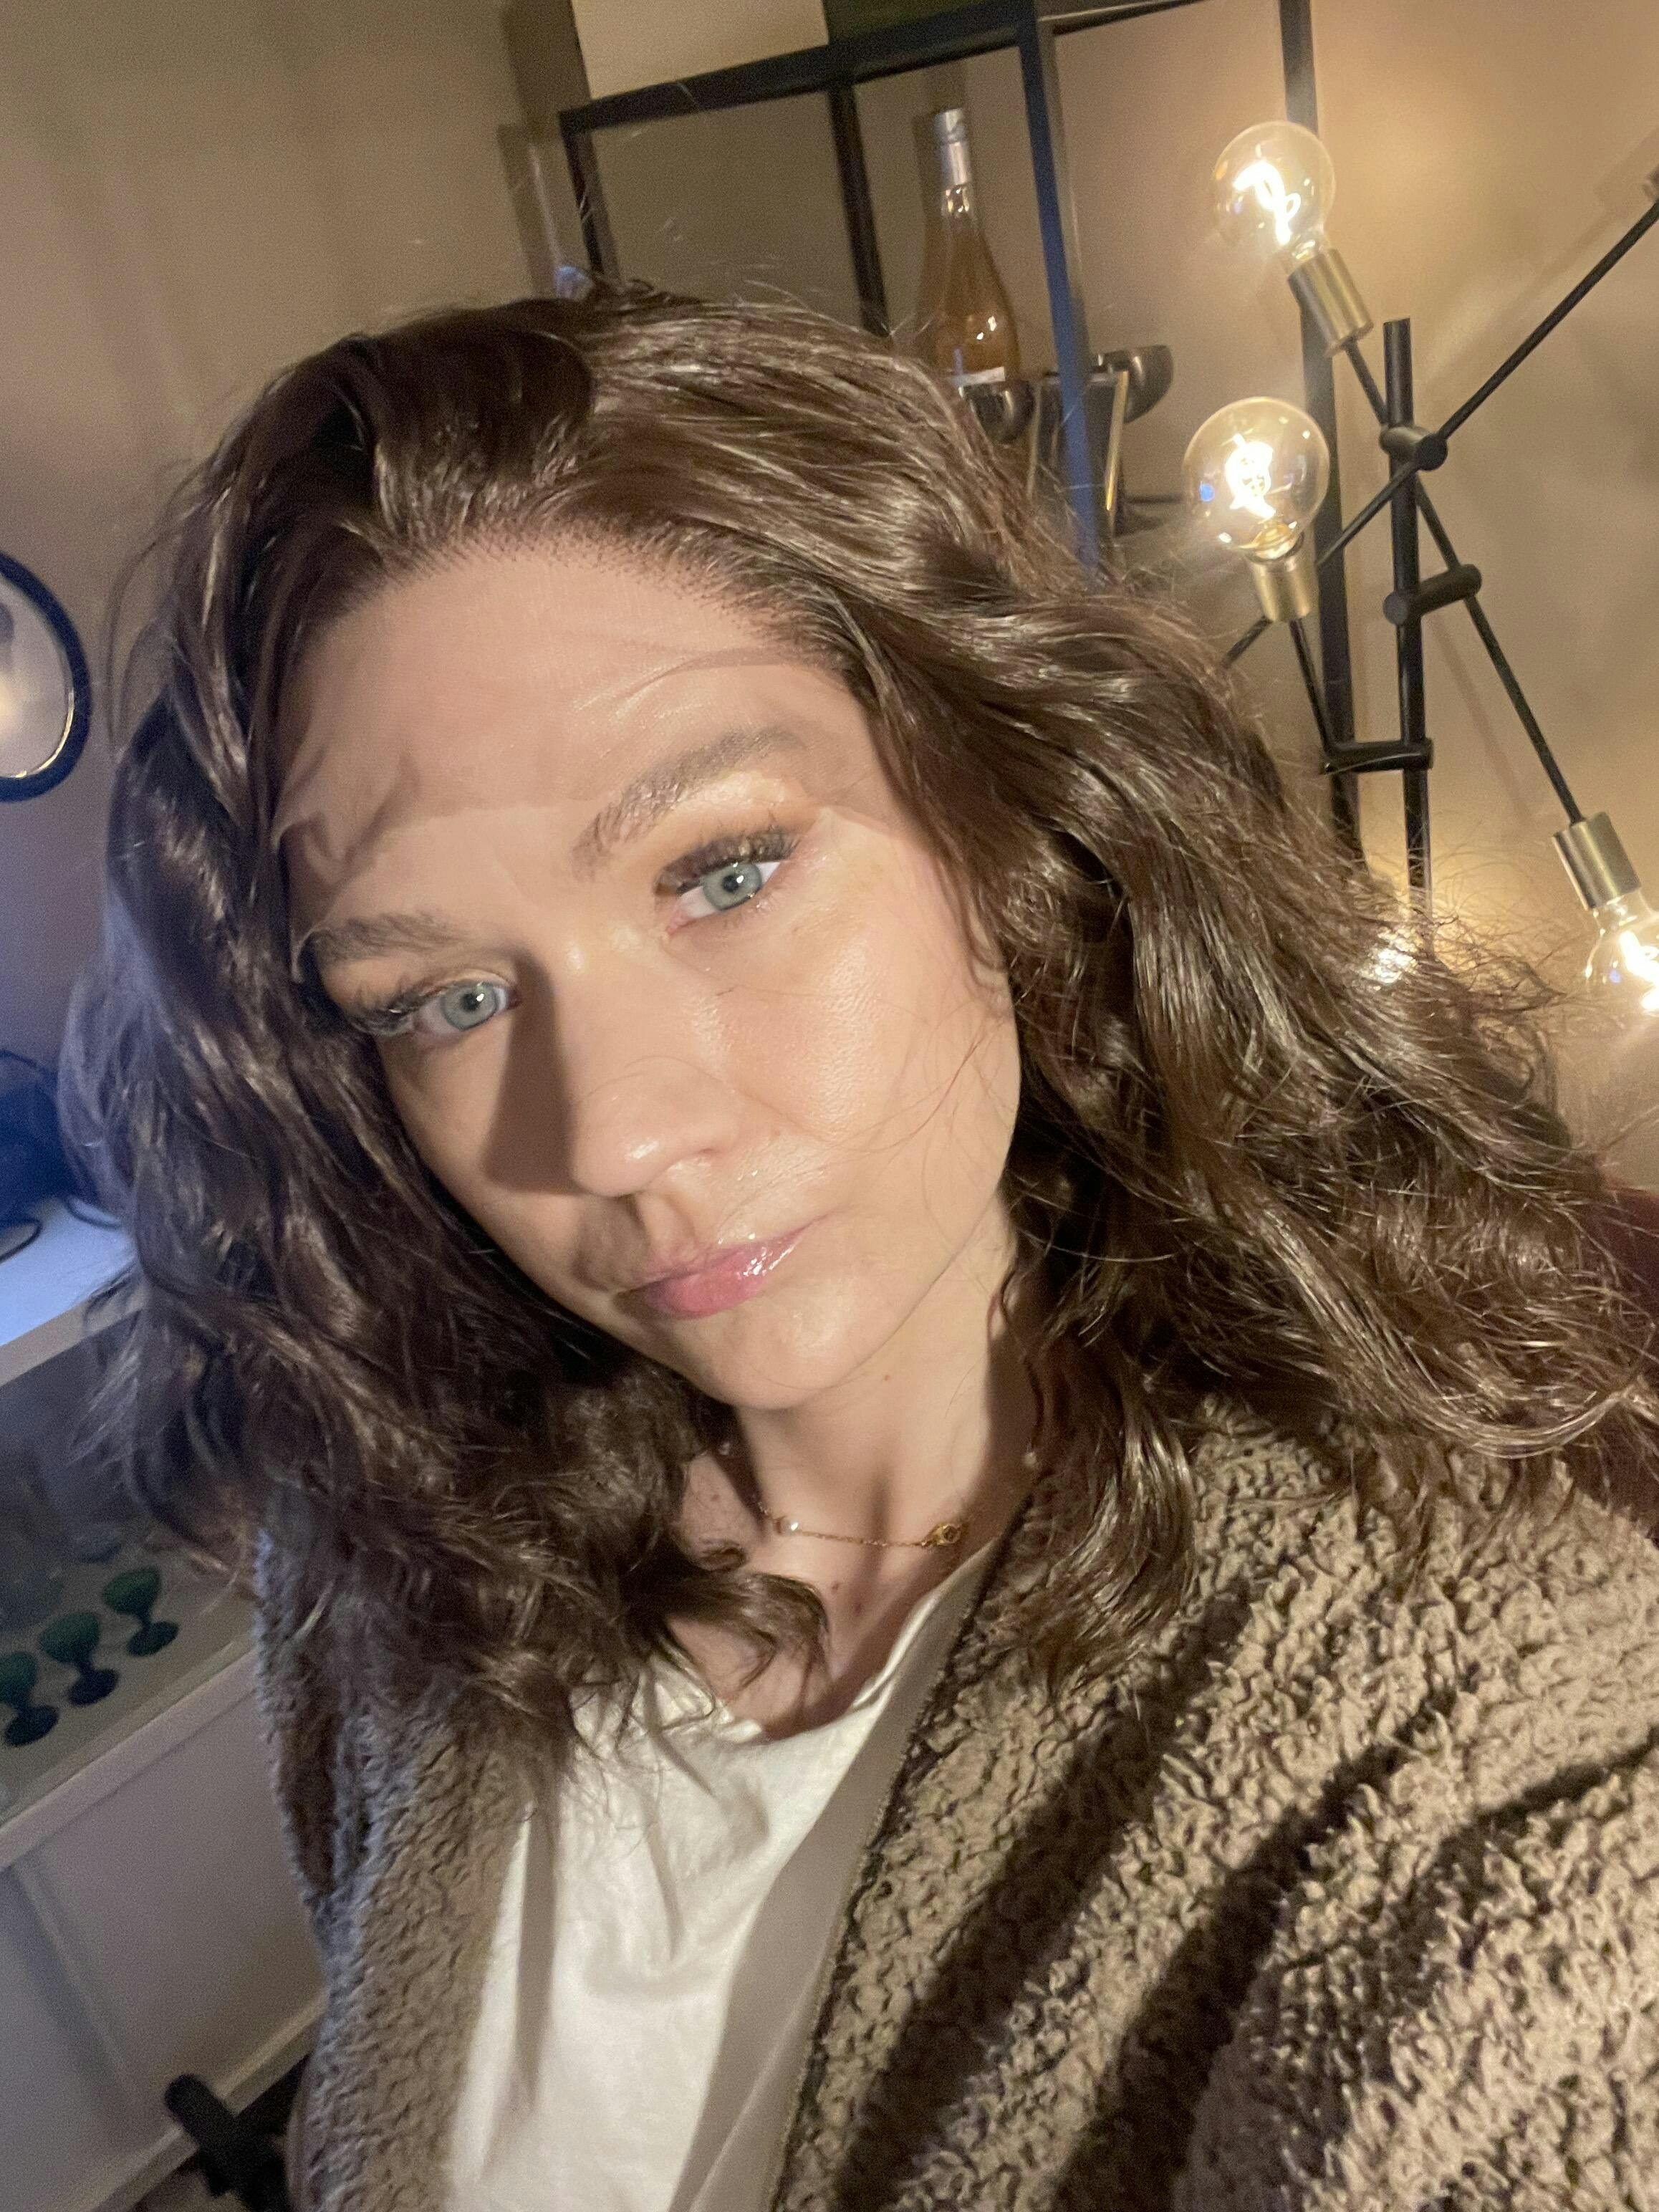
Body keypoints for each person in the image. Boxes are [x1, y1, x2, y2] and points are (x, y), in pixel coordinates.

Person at [62, 283, 1659, 2212]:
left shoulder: (1454, 1718)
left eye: (724, 873)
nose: (614, 1136)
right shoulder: (392, 1559)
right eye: (444, 1001)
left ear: (1014, 828)